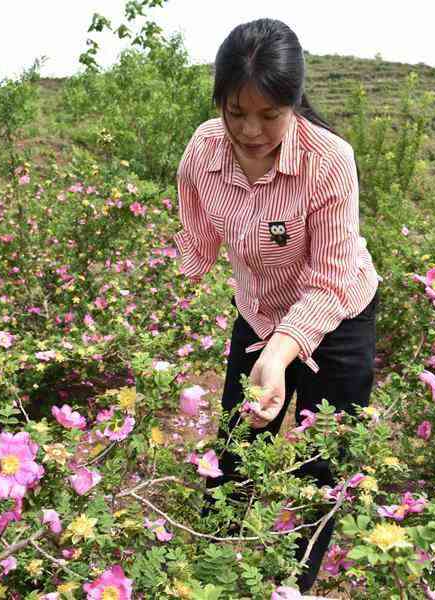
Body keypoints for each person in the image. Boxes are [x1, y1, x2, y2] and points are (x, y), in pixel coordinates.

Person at [172, 17, 381, 593]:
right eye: (235, 112)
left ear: (293, 103)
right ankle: (213, 564)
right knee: (238, 446)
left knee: (322, 458)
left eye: (269, 115)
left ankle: (294, 581)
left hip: (337, 317)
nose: (250, 129)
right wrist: (186, 273)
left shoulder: (329, 160)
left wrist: (281, 354)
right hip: (259, 311)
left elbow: (331, 280)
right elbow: (196, 216)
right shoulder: (204, 148)